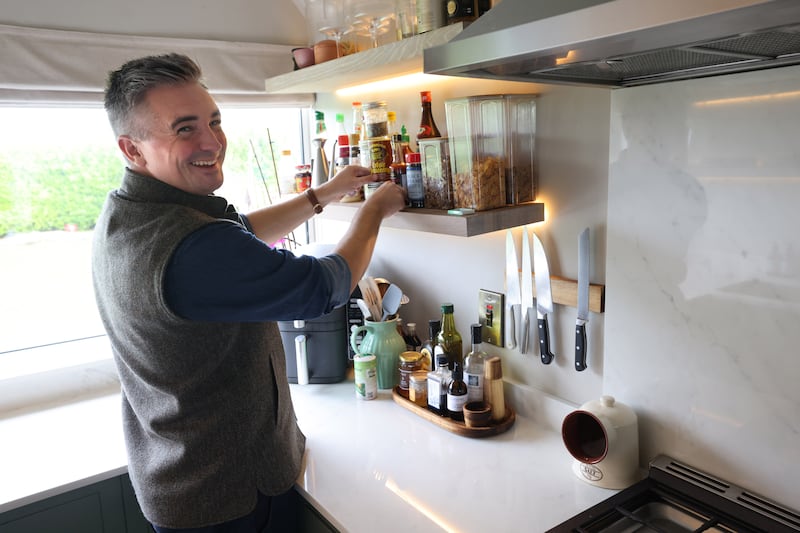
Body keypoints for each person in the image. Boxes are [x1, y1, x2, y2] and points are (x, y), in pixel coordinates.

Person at [91, 53, 405, 532]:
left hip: (174, 473)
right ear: (132, 150)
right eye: (184, 128)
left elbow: (239, 232)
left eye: (214, 121)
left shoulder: (129, 214)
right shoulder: (192, 246)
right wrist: (374, 212)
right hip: (226, 491)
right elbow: (326, 285)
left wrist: (324, 193)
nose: (212, 141)